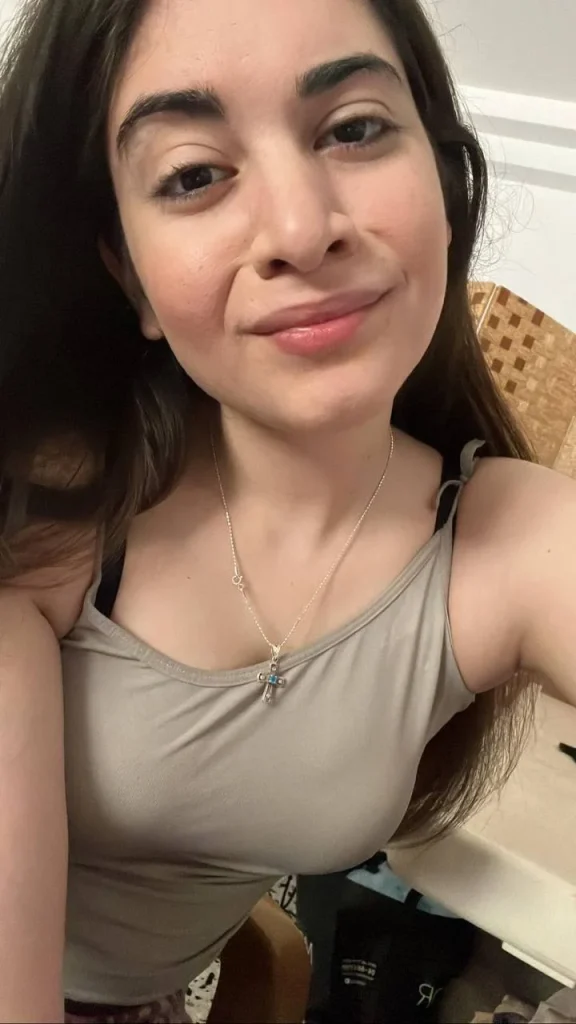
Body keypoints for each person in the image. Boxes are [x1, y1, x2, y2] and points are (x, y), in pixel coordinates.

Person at [0, 0, 574, 1020]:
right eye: (193, 175)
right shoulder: (43, 515)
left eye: (354, 128)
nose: (304, 232)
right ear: (130, 274)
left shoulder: (508, 540)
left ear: (445, 189)